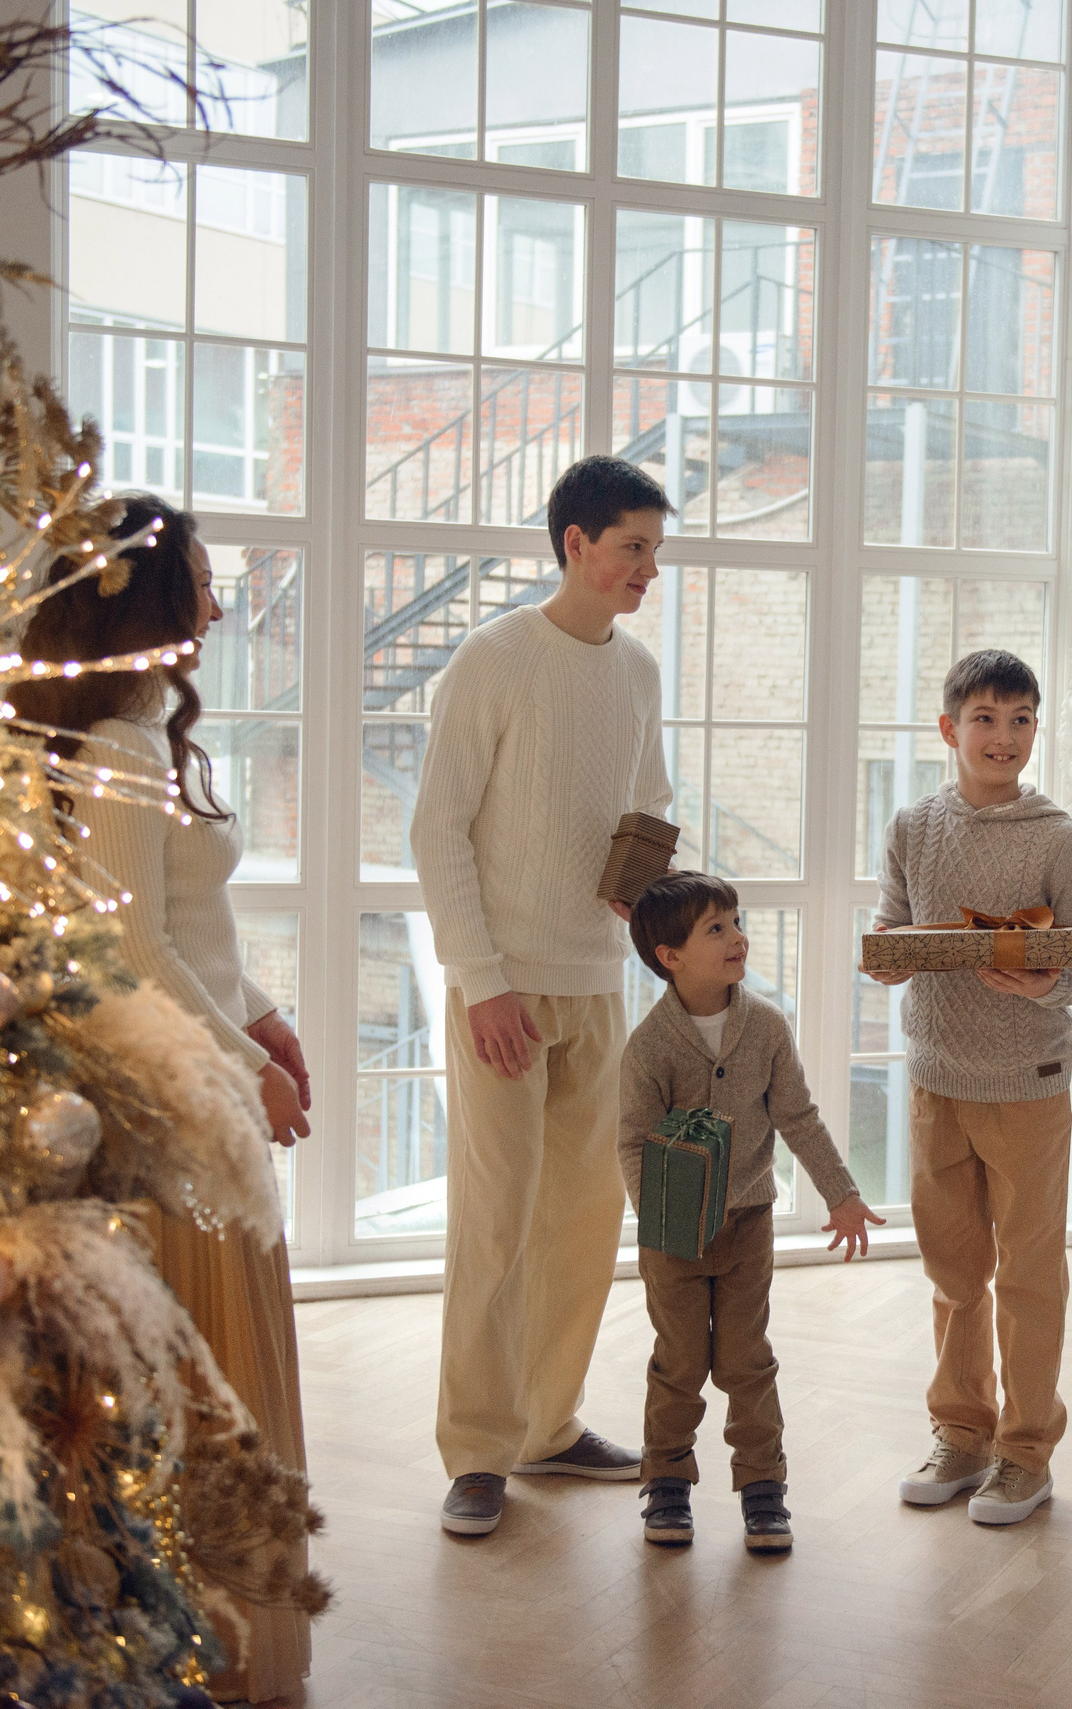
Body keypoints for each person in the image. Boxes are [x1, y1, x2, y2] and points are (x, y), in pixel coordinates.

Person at [12, 492, 315, 1704]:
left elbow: (189, 928)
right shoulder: (123, 748)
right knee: (204, 1403)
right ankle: (213, 1655)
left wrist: (260, 1009)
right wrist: (252, 1071)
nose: (219, 601)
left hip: (199, 1071)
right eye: (200, 576)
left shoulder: (131, 732)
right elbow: (128, 957)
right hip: (170, 1112)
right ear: (142, 594)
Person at [410, 456, 676, 1537]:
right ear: (575, 543)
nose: (648, 571)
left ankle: (547, 1426)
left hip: (596, 985)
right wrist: (480, 980)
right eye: (634, 549)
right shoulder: (492, 657)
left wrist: (648, 889)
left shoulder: (640, 671)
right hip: (503, 992)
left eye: (655, 551)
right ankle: (476, 1448)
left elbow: (649, 803)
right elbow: (436, 829)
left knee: (582, 1219)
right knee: (495, 1223)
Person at [869, 649, 1072, 1527]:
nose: (1002, 736)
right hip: (936, 1080)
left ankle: (1026, 1449)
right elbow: (893, 924)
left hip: (1029, 1084)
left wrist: (1045, 982)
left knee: (1030, 1274)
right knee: (953, 1270)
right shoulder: (911, 826)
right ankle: (961, 1432)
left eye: (1019, 719)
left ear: (1035, 730)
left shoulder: (1059, 837)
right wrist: (890, 955)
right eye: (984, 718)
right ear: (949, 729)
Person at [619, 872, 885, 1553]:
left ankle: (763, 1489)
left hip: (747, 1223)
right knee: (678, 1360)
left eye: (736, 922)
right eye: (717, 928)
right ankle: (668, 1485)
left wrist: (841, 1192)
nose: (738, 937)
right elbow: (632, 1140)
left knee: (747, 1358)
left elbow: (796, 1115)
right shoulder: (649, 1045)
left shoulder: (765, 1025)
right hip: (674, 1236)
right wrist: (659, 1218)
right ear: (669, 956)